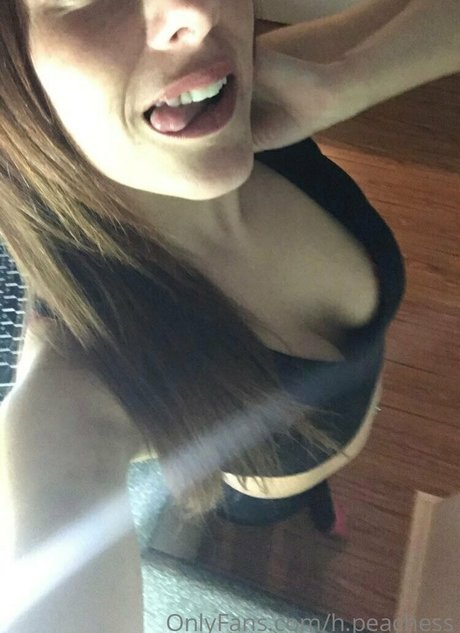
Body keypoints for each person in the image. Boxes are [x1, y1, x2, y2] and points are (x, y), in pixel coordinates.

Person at [0, 0, 458, 630]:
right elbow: (53, 527)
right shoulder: (73, 375)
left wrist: (346, 80)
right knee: (271, 508)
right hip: (266, 481)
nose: (195, 8)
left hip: (352, 412)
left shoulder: (236, 93)